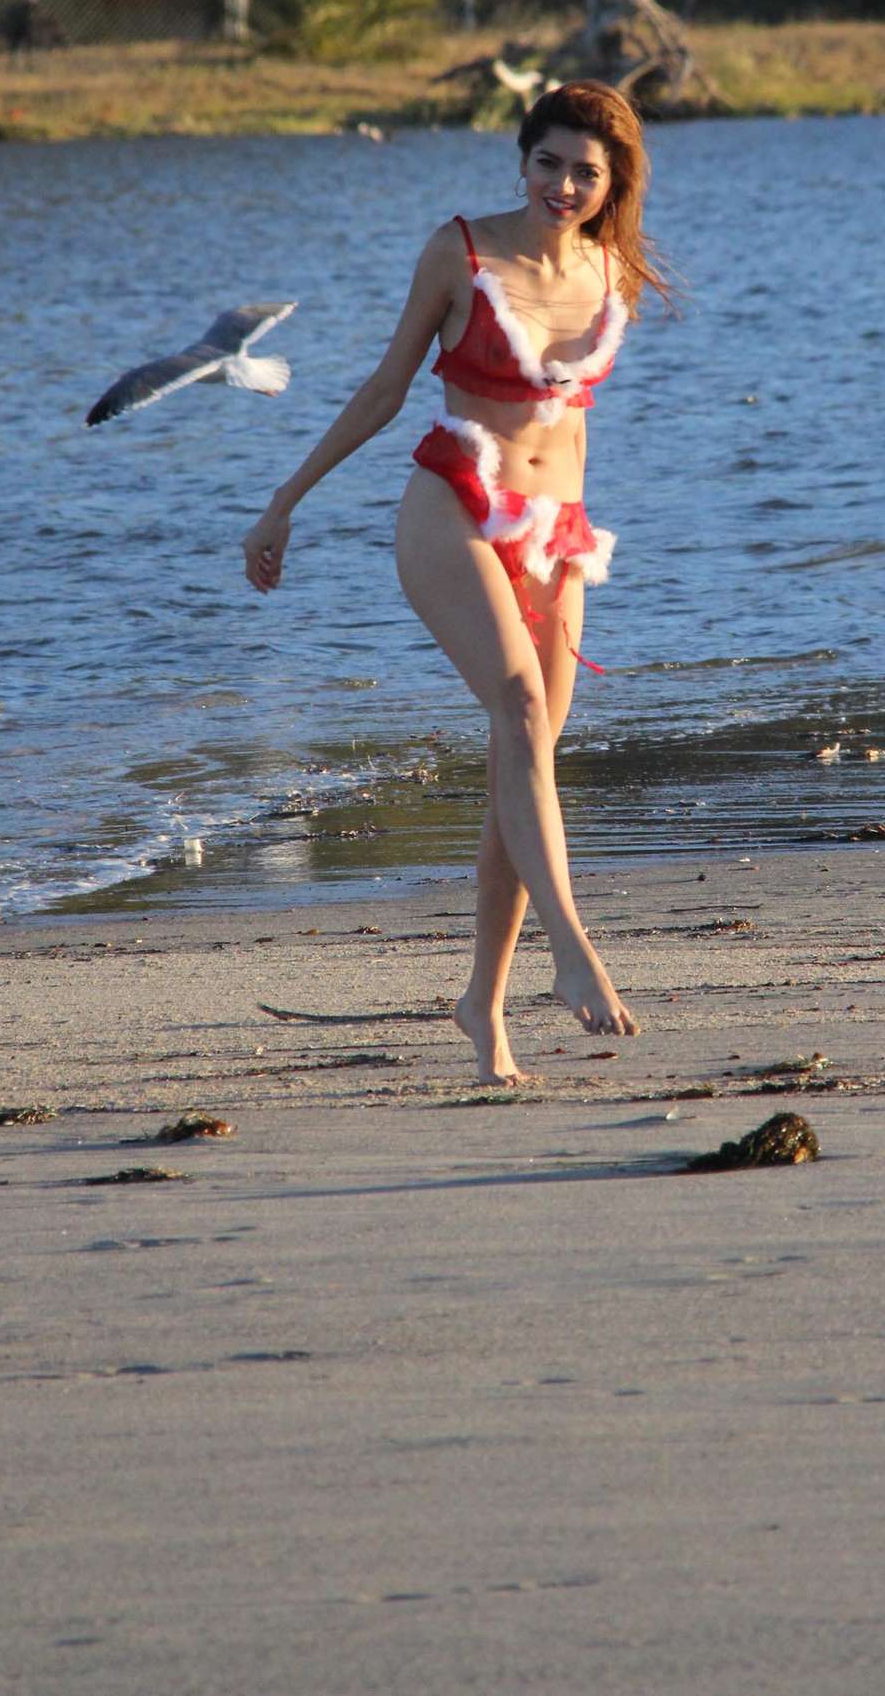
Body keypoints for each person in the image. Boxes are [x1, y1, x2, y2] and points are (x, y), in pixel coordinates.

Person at [243, 79, 669, 1084]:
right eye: (547, 162)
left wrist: (557, 547)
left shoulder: (614, 270)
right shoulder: (460, 251)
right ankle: (571, 946)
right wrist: (282, 503)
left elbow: (571, 424)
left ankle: (480, 1001)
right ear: (521, 161)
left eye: (585, 171)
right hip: (452, 504)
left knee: (526, 764)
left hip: (555, 536)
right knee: (520, 709)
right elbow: (388, 386)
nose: (563, 184)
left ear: (612, 184)